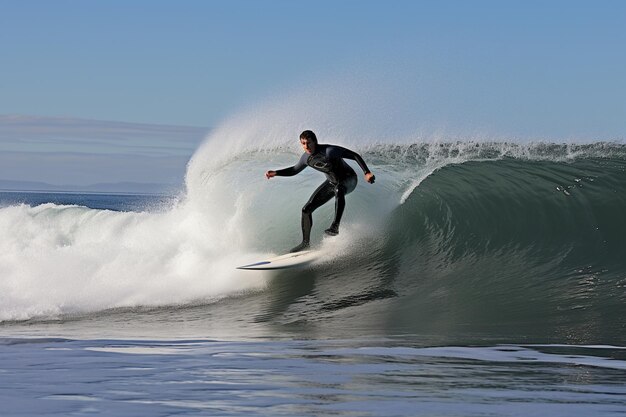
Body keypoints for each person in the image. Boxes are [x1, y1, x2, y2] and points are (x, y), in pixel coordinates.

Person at [265, 130, 375, 252]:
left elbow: (354, 155)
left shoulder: (330, 151)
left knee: (339, 190)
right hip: (331, 183)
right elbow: (294, 170)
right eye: (303, 143)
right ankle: (305, 244)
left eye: (309, 143)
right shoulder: (306, 158)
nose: (306, 146)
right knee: (306, 210)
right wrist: (276, 173)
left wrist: (367, 172)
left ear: (315, 142)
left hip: (349, 179)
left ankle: (335, 226)